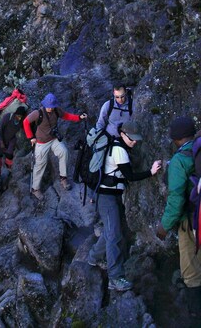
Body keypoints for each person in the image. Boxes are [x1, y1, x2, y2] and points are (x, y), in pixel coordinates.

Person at [85, 122, 161, 292]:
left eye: (136, 139)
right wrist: (151, 172)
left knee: (110, 230)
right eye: (131, 139)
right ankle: (115, 277)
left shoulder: (117, 145)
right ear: (122, 134)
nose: (134, 142)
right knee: (114, 236)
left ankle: (93, 257)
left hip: (105, 195)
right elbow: (130, 176)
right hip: (107, 197)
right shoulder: (119, 150)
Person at [156, 116, 201, 319]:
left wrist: (164, 227)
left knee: (190, 270)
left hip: (191, 219)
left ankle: (194, 314)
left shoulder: (179, 161)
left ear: (176, 140)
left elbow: (176, 200)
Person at [24, 92, 87, 199]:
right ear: (45, 104)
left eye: (52, 106)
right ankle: (35, 189)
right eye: (48, 106)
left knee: (64, 152)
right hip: (41, 142)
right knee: (40, 165)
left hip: (53, 139)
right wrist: (31, 137)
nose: (50, 108)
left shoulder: (56, 110)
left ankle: (63, 178)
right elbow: (25, 122)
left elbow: (66, 115)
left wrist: (79, 117)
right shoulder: (37, 113)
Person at [0, 106, 28, 186]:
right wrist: (1, 141)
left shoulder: (21, 122)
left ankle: (8, 167)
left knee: (9, 154)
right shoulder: (8, 117)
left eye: (20, 117)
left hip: (10, 139)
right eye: (17, 116)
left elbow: (26, 126)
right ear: (15, 114)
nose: (18, 118)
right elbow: (0, 129)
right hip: (0, 137)